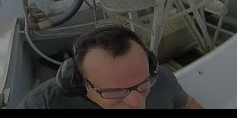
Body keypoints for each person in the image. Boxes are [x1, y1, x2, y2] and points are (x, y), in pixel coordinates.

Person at [15, 24, 204, 109]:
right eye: (115, 92)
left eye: (144, 84)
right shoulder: (43, 104)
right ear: (78, 84)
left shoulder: (161, 79)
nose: (138, 104)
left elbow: (188, 104)